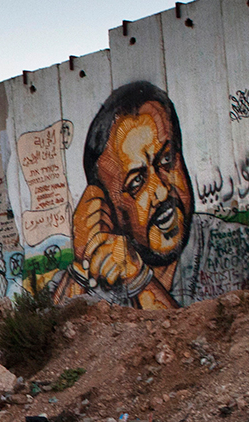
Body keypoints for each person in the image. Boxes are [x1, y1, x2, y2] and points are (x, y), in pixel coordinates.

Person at [58, 81, 196, 310]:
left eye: (167, 161)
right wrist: (80, 269)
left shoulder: (245, 249)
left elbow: (186, 342)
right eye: (137, 182)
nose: (161, 192)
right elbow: (50, 338)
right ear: (107, 207)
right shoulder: (93, 274)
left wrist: (139, 281)